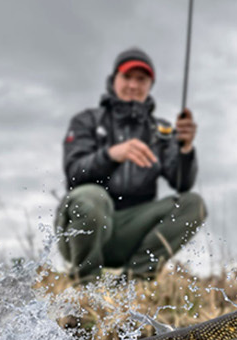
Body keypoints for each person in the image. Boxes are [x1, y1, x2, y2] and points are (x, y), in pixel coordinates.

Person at [57, 47, 206, 282]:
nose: (134, 86)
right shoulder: (86, 121)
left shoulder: (161, 131)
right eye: (127, 77)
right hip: (82, 234)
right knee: (92, 198)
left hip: (131, 231)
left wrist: (185, 149)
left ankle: (134, 284)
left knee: (193, 204)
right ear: (113, 79)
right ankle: (85, 288)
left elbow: (182, 184)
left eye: (141, 79)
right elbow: (74, 175)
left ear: (150, 85)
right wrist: (111, 155)